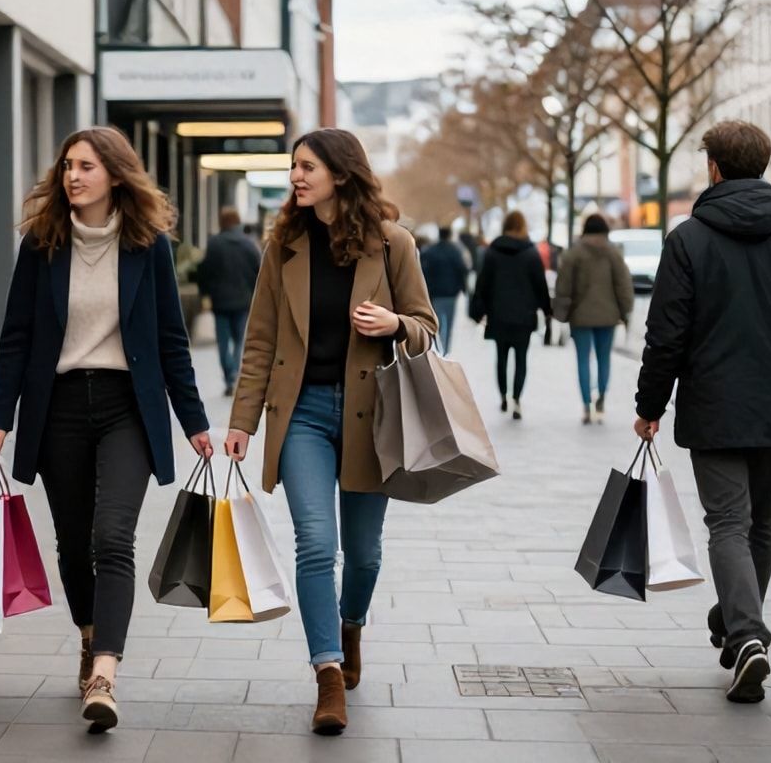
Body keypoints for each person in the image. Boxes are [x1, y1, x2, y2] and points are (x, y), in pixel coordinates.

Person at [0, 126, 213, 733]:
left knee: (113, 537)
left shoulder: (148, 245)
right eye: (67, 166)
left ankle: (105, 671)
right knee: (72, 543)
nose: (73, 176)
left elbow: (170, 342)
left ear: (115, 174)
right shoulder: (43, 244)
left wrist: (195, 422)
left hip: (125, 408)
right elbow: (16, 338)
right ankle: (89, 635)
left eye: (85, 166)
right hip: (56, 407)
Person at [224, 128, 437, 736]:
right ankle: (327, 672)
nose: (296, 176)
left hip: (372, 416)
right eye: (294, 166)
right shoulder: (283, 245)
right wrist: (243, 422)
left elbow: (428, 327)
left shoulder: (392, 244)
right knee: (317, 544)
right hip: (303, 415)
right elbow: (260, 339)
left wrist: (395, 321)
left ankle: (352, 624)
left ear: (340, 175)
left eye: (306, 166)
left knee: (364, 556)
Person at [634, 120, 771, 706]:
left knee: (727, 523)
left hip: (713, 406)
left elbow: (665, 337)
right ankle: (735, 626)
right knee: (762, 524)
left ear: (714, 168)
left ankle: (746, 635)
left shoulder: (688, 240)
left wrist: (649, 405)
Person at [553, 214, 635, 424]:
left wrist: (562, 311)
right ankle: (601, 399)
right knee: (603, 358)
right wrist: (626, 310)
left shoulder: (574, 254)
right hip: (608, 316)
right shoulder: (613, 253)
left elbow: (563, 286)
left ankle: (586, 404)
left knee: (583, 359)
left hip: (580, 316)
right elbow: (623, 285)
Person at [469, 211, 550, 420]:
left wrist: (478, 309)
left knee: (501, 357)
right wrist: (547, 309)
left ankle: (503, 396)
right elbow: (540, 286)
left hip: (499, 314)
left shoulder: (493, 252)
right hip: (524, 316)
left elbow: (483, 284)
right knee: (521, 359)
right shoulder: (531, 254)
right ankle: (517, 399)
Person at [196, 206, 263, 395]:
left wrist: (205, 294)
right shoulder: (249, 244)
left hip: (220, 302)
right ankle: (235, 371)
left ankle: (228, 375)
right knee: (240, 340)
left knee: (223, 342)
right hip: (243, 301)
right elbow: (259, 274)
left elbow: (205, 271)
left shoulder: (214, 244)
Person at [419, 226, 468, 354]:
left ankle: (438, 349)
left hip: (436, 293)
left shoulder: (431, 251)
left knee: (438, 323)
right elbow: (462, 269)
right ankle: (445, 350)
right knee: (449, 322)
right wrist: (463, 287)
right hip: (451, 293)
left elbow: (424, 271)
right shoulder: (455, 251)